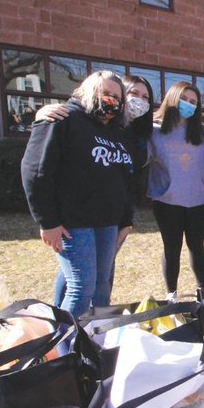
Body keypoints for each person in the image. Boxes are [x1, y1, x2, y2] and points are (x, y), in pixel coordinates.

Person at [21, 70, 134, 319]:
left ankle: (95, 337)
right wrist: (47, 221)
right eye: (105, 93)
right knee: (82, 288)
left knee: (102, 285)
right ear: (87, 92)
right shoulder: (63, 118)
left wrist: (126, 219)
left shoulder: (116, 131)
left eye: (117, 96)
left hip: (108, 223)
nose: (111, 100)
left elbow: (124, 179)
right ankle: (62, 346)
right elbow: (35, 171)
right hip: (74, 223)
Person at [36, 75, 155, 306]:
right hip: (79, 217)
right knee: (81, 280)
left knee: (99, 277)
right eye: (133, 94)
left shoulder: (138, 131)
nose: (138, 101)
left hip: (111, 218)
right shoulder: (95, 121)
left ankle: (92, 326)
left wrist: (127, 220)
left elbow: (129, 180)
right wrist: (42, 113)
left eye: (146, 97)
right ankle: (62, 324)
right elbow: (40, 167)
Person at [147, 81, 204, 299]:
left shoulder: (202, 134)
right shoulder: (154, 130)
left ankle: (203, 291)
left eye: (193, 102)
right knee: (172, 248)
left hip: (197, 200)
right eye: (184, 99)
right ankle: (171, 294)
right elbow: (138, 157)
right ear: (173, 98)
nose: (189, 105)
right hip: (167, 201)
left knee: (197, 246)